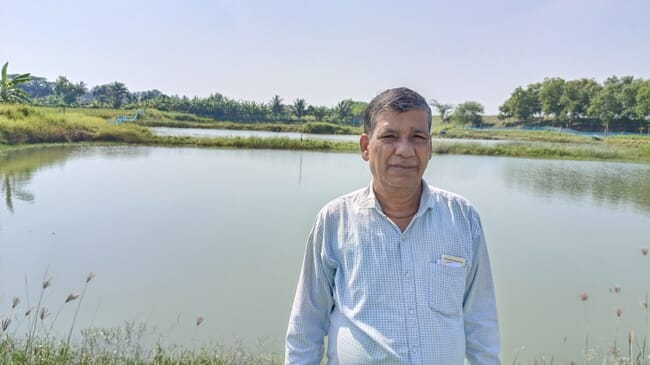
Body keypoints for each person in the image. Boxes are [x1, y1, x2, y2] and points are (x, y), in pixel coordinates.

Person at [285, 87, 501, 365]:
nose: (405, 150)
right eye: (389, 136)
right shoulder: (335, 220)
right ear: (365, 147)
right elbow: (307, 324)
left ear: (430, 147)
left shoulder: (462, 217)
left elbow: (480, 321)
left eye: (418, 137)